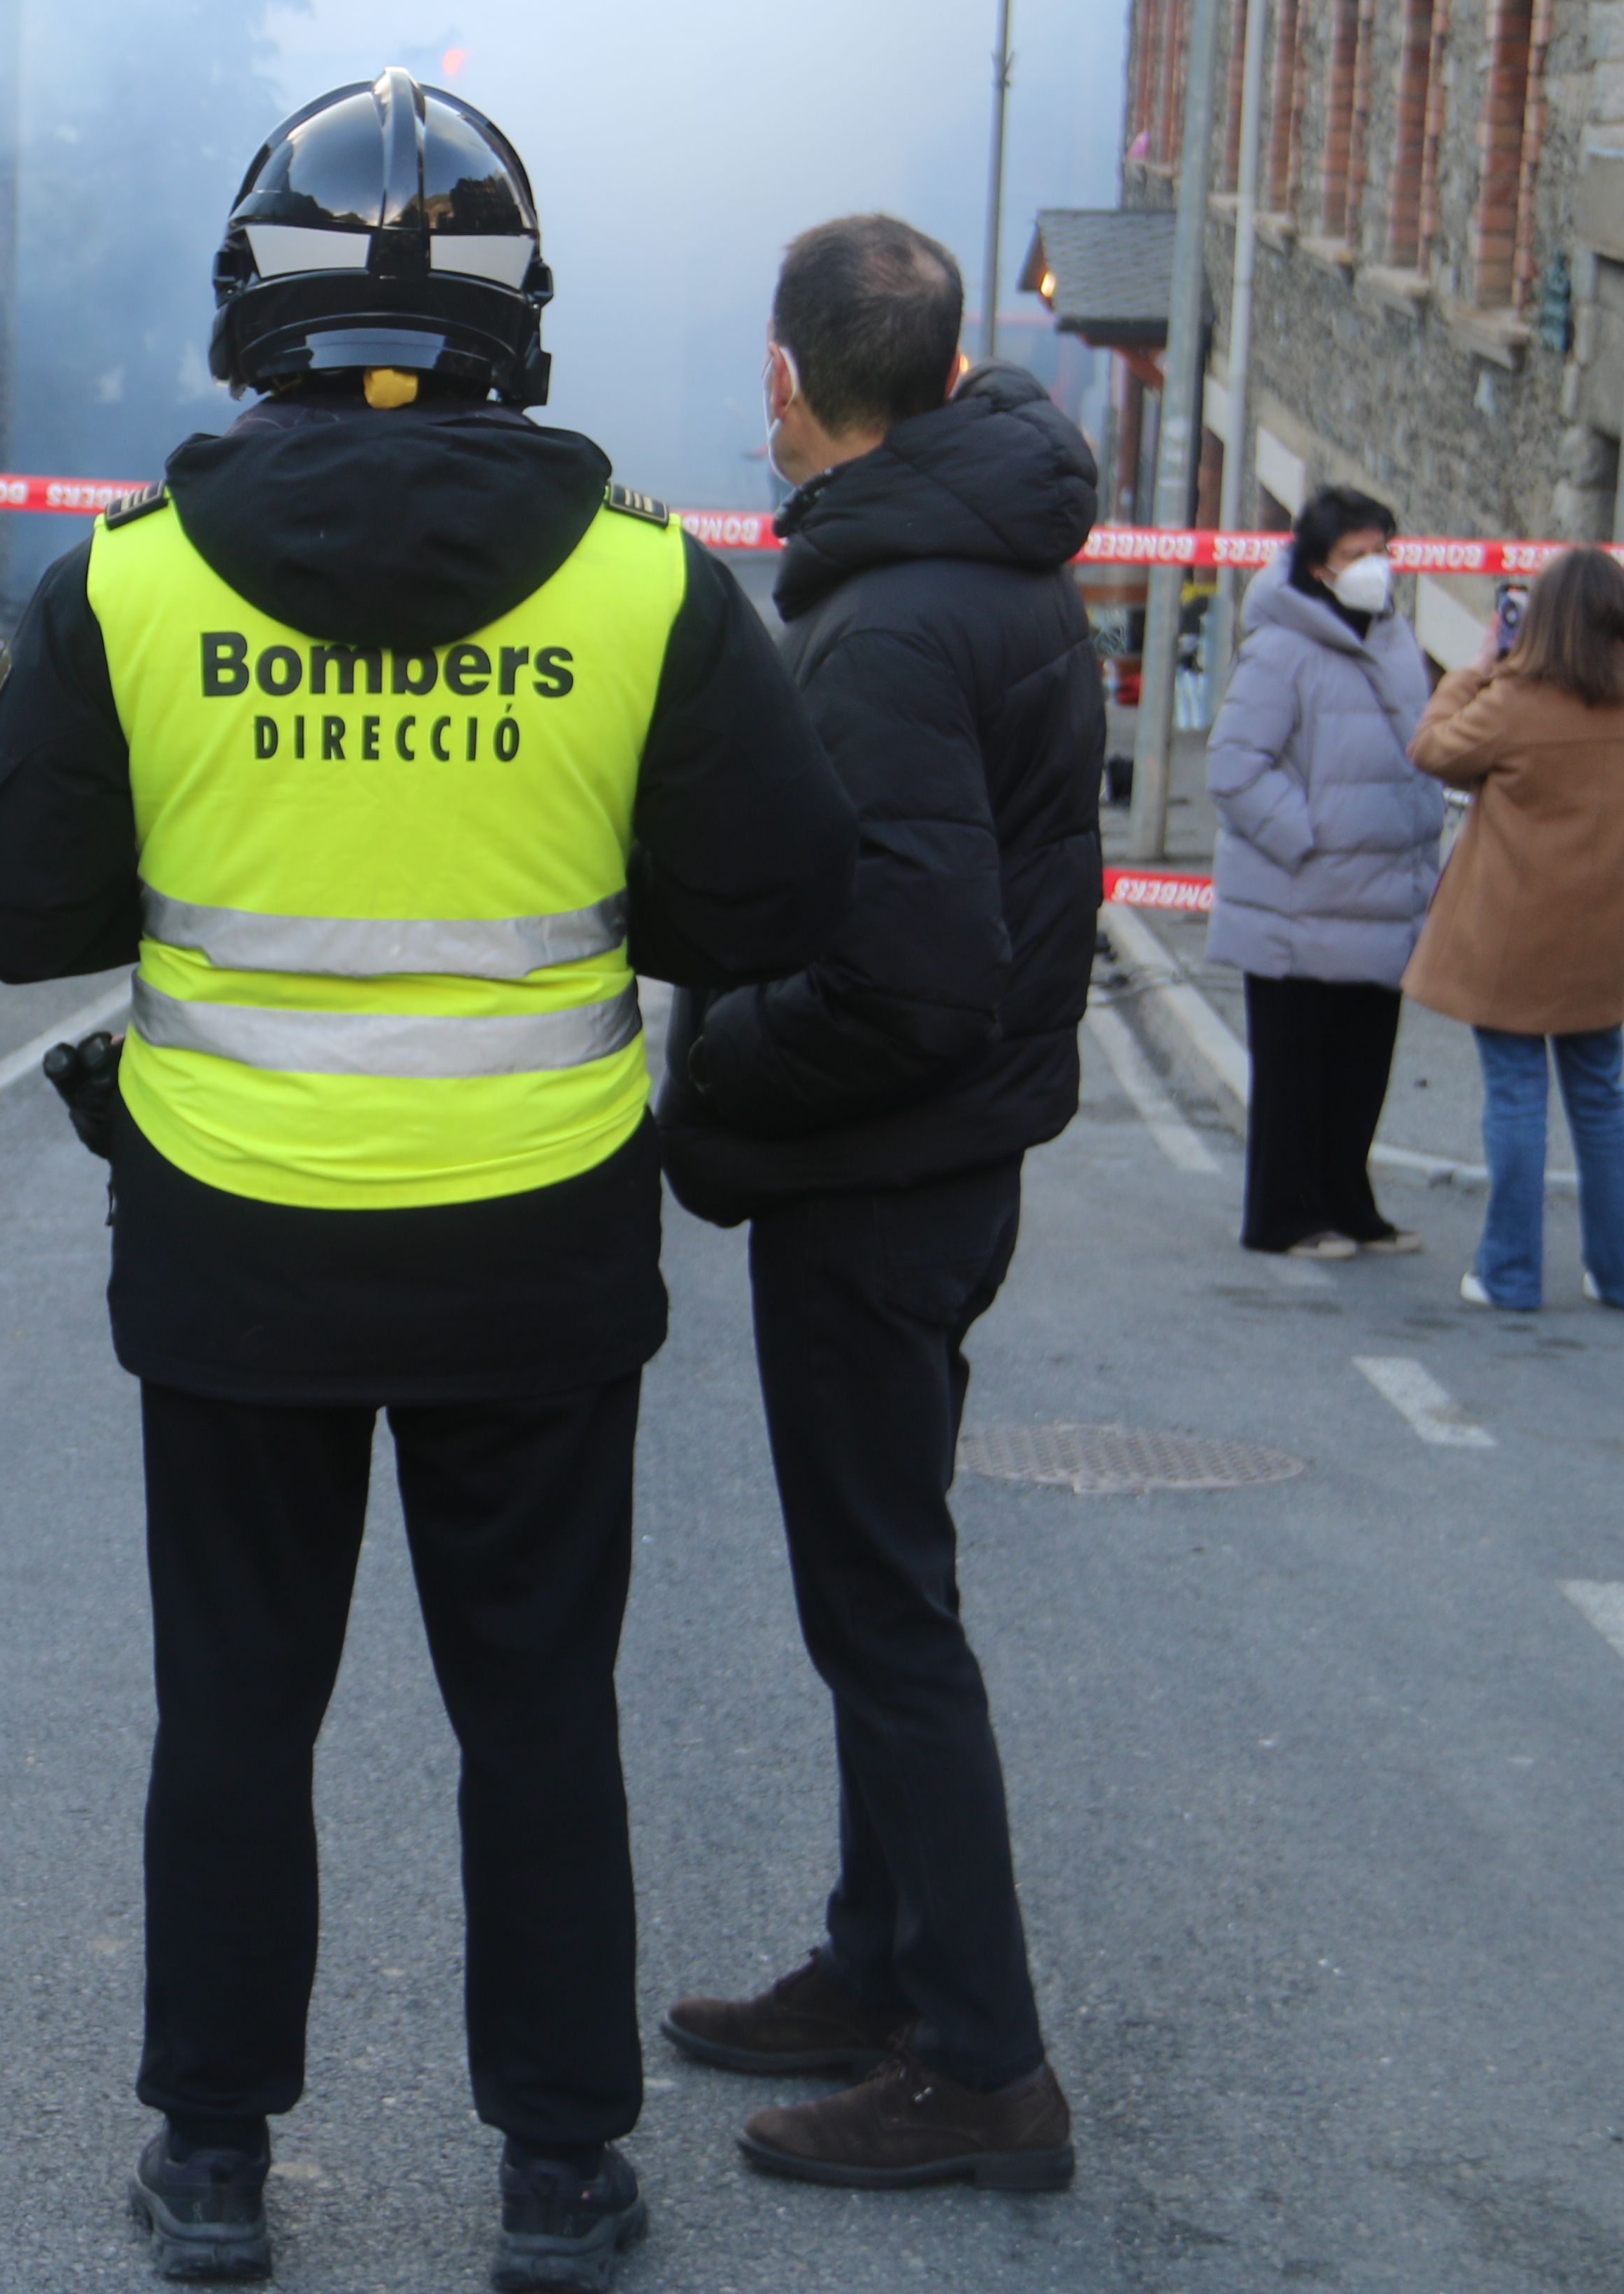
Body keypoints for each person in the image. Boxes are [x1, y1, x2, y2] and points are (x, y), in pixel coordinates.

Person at [0, 68, 854, 2288]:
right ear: (520, 314)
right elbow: (780, 901)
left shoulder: (131, 589)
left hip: (235, 1255)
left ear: (256, 304)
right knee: (538, 1715)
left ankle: (218, 2160)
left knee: (236, 1712)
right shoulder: (646, 588)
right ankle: (556, 2173)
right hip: (537, 1258)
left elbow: (8, 898)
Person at [653, 215, 1104, 2196]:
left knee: (886, 1620)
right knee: (880, 1597)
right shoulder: (980, 566)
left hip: (883, 1175)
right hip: (939, 1164)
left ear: (785, 381)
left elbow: (911, 973)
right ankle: (876, 1961)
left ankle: (982, 2069)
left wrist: (713, 1071)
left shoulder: (902, 620)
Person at [1402, 546, 1624, 1312]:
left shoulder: (1516, 702)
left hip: (1511, 933)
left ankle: (1511, 1272)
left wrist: (1481, 664)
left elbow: (1432, 749)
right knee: (1601, 1094)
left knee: (1516, 1096)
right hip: (1600, 934)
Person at [1204, 485, 1438, 1258]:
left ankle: (1349, 1202)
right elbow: (1237, 769)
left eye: (1381, 553)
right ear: (1315, 566)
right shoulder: (1280, 647)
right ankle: (1284, 1215)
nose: (1374, 570)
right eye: (1355, 557)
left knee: (1361, 1068)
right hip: (1300, 901)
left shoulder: (1395, 638)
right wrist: (1309, 841)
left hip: (1381, 897)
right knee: (1295, 1074)